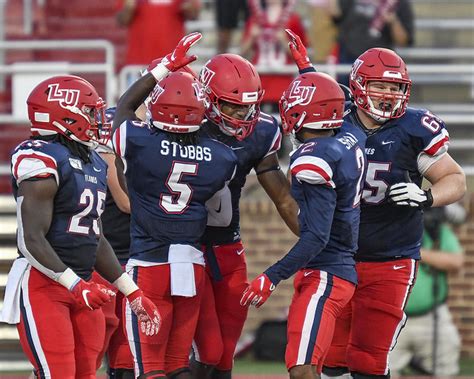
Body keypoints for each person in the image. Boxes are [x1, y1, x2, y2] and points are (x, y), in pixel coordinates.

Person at [285, 29, 467, 379]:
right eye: (380, 85)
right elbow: (318, 96)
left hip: (391, 257)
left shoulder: (413, 128)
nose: (389, 94)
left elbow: (455, 179)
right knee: (331, 358)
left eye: (396, 87)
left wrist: (426, 197)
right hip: (338, 255)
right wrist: (306, 68)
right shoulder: (335, 120)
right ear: (357, 86)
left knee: (369, 359)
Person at [0, 75, 160, 377]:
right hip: (44, 285)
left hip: (85, 284)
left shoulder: (93, 162)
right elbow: (31, 240)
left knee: (85, 373)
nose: (96, 120)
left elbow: (94, 237)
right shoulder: (39, 156)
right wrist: (75, 285)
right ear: (64, 115)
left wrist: (132, 292)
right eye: (89, 112)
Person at [112, 32, 239, 379]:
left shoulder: (138, 141)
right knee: (178, 365)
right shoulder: (220, 157)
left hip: (148, 265)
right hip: (191, 266)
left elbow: (123, 108)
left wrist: (166, 66)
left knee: (149, 368)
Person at [241, 71, 367, 379]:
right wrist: (307, 70)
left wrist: (270, 277)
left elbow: (316, 238)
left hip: (326, 271)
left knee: (302, 369)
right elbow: (339, 102)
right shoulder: (351, 136)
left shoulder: (315, 158)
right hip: (337, 268)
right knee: (312, 366)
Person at [191, 53, 300, 379]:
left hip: (227, 248)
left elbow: (282, 197)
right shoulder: (185, 124)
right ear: (208, 100)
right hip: (183, 247)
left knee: (224, 355)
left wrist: (314, 236)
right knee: (198, 350)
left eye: (249, 106)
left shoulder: (261, 131)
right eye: (232, 105)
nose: (243, 114)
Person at [390, 205, 464, 377]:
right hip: (392, 318)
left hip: (432, 315)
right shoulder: (389, 232)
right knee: (379, 369)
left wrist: (416, 252)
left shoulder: (435, 231)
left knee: (445, 367)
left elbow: (455, 262)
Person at [95, 106, 135, 378]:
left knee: (125, 351)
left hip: (129, 255)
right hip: (107, 258)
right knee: (91, 347)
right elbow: (125, 202)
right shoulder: (103, 152)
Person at [241, 0, 309, 107]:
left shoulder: (293, 20)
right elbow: (242, 52)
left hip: (283, 84)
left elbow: (302, 55)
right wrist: (252, 38)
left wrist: (284, 42)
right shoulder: (255, 20)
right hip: (259, 84)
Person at [329, 0, 414, 85]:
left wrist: (393, 22)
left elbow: (404, 41)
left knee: (375, 94)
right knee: (345, 93)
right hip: (347, 56)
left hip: (380, 63)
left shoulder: (398, 3)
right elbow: (336, 16)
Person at [116, 0, 201, 66]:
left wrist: (189, 7)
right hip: (139, 61)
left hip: (173, 63)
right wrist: (129, 8)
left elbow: (194, 14)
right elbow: (122, 19)